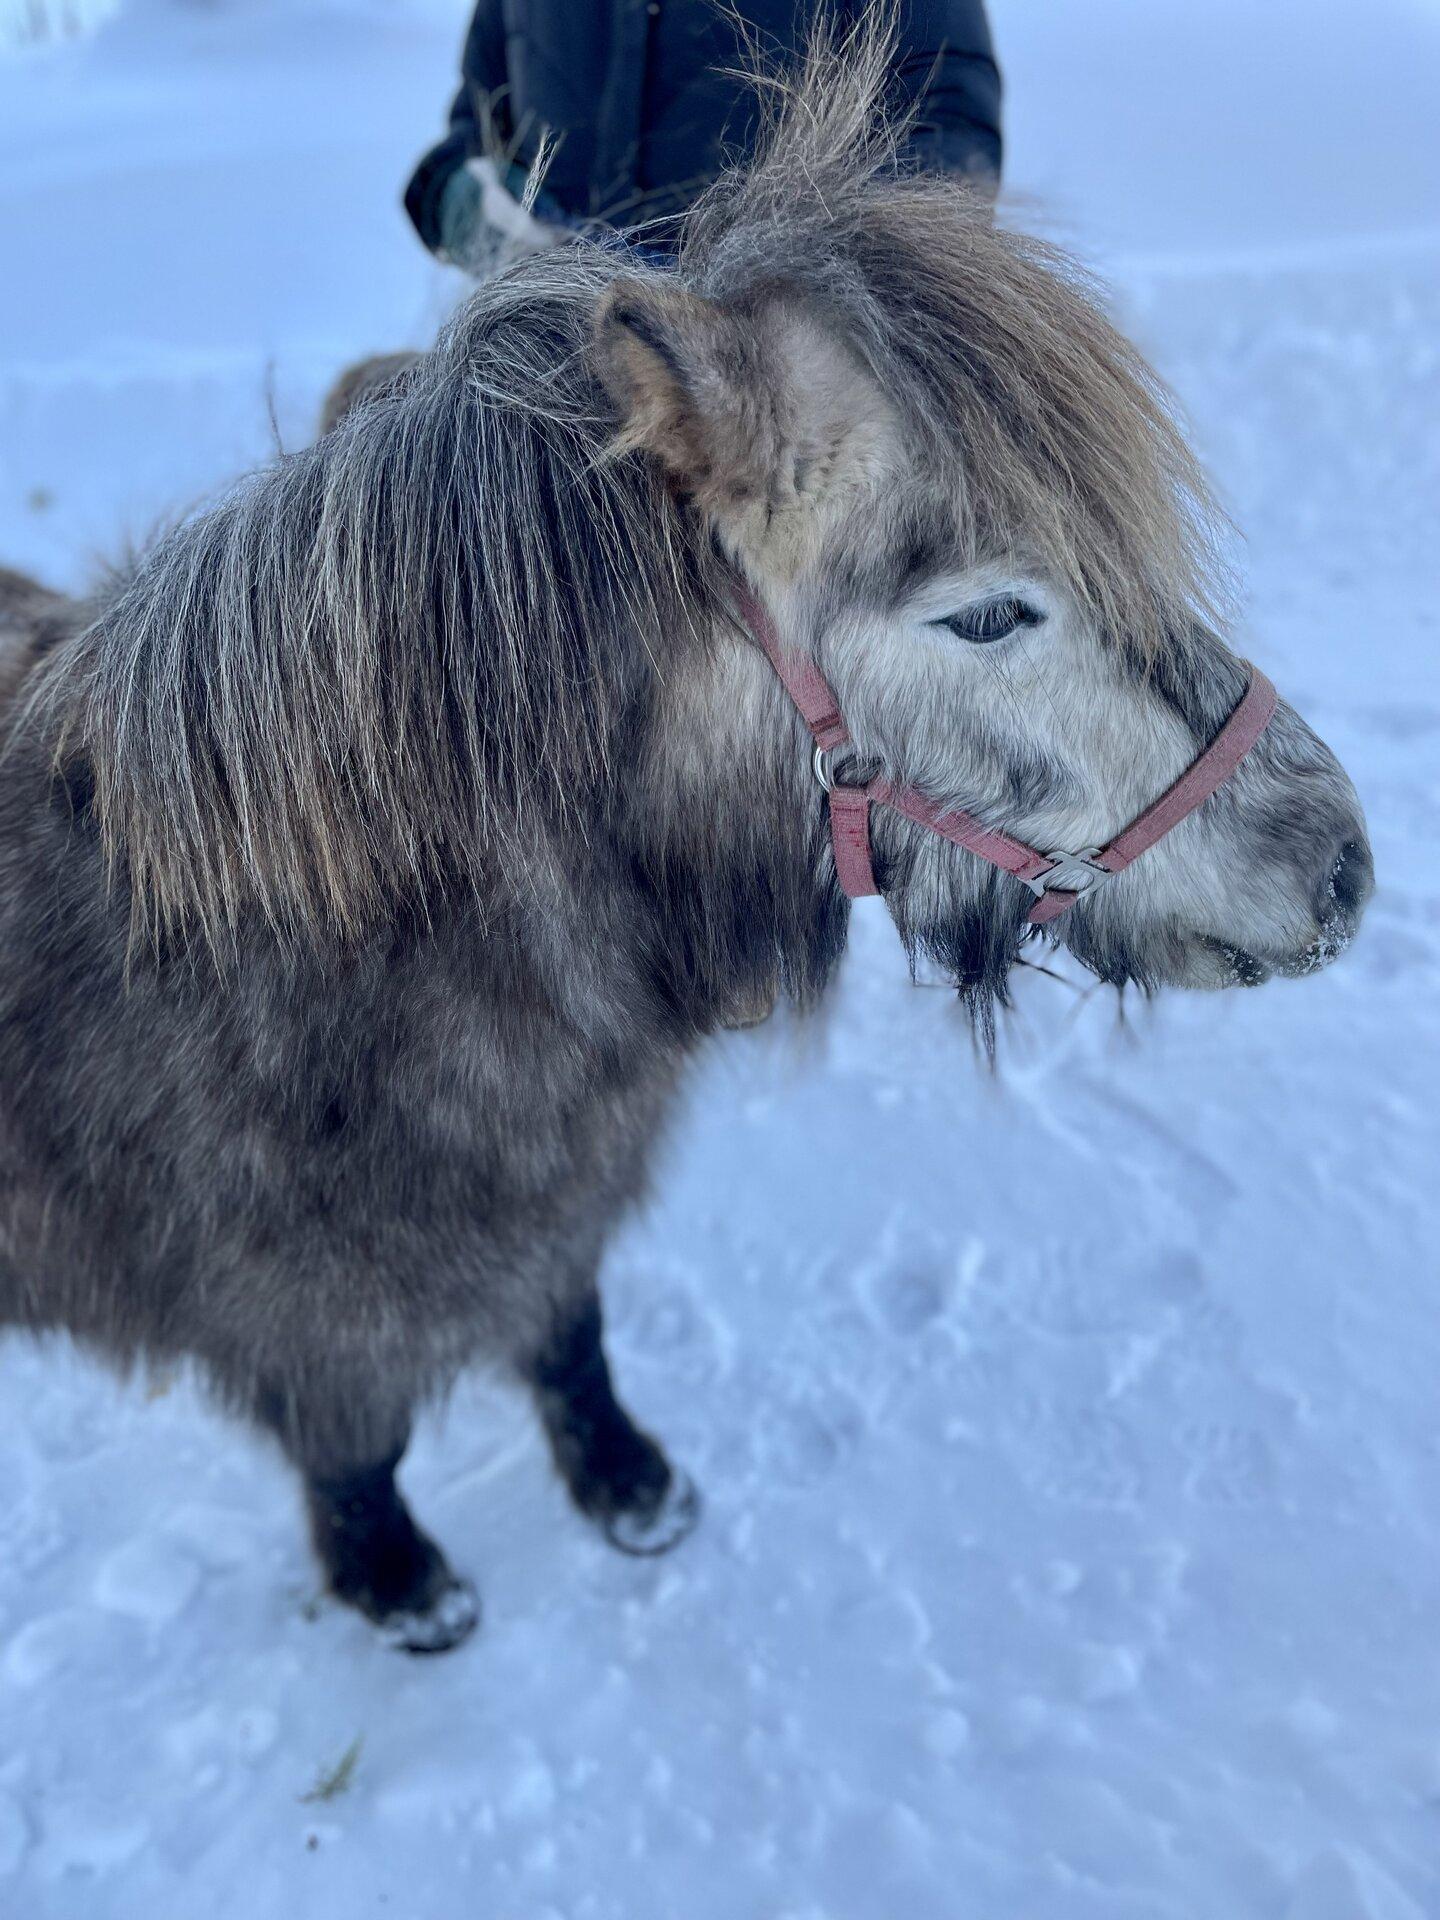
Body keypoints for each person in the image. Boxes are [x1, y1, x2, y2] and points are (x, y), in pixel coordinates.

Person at [404, 0, 1002, 272]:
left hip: (760, 414)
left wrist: (797, 299)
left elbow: (945, 144)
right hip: (550, 378)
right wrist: (465, 204)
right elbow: (476, 131)